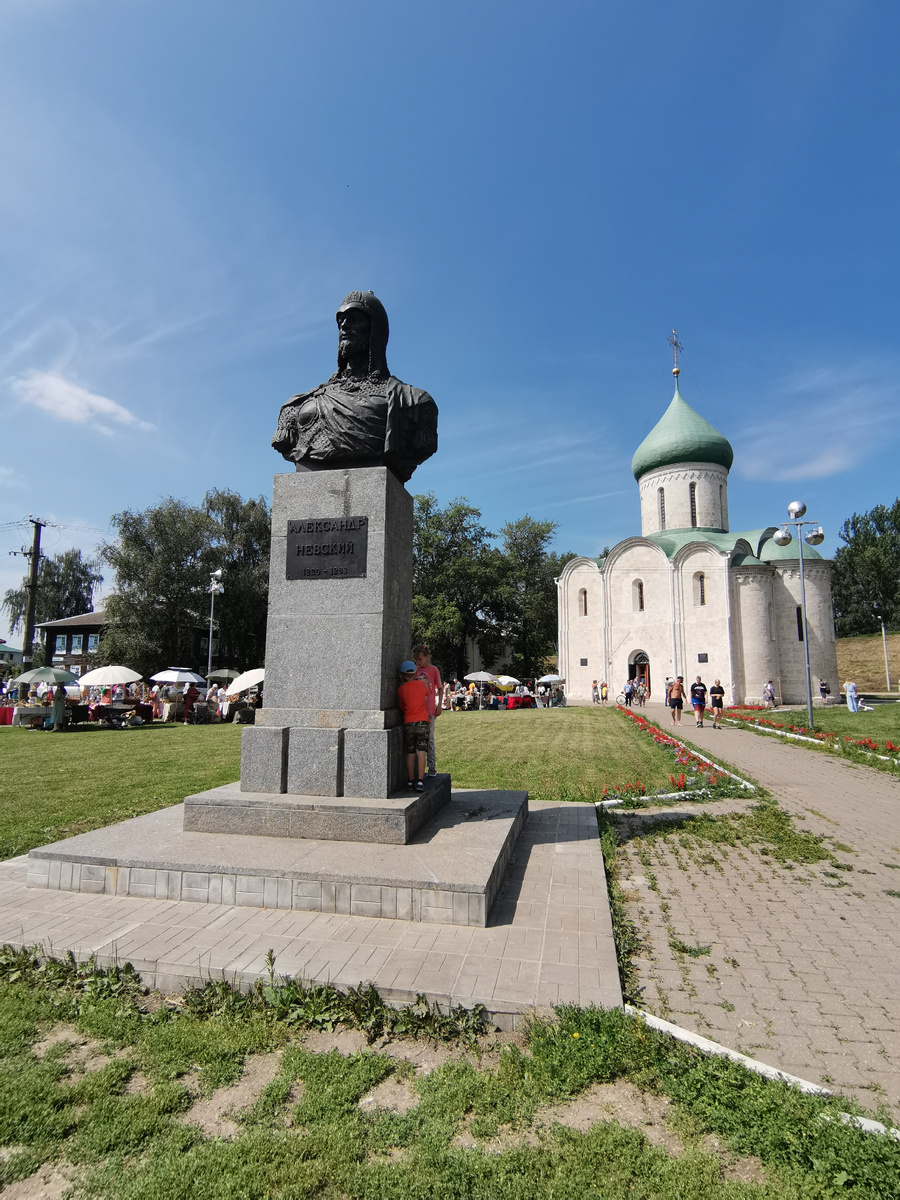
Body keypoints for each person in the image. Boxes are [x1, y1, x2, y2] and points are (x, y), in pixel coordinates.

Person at [271, 291, 439, 483]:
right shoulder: (296, 405)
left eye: (354, 319)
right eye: (341, 320)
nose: (344, 325)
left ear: (375, 330)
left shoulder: (414, 402)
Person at [397, 660, 429, 791]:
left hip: (409, 722)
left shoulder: (400, 689)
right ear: (415, 674)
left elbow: (402, 707)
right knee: (421, 752)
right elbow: (428, 693)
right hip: (423, 721)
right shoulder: (421, 684)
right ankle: (420, 781)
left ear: (401, 676)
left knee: (410, 753)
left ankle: (410, 781)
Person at [412, 644, 441, 777]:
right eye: (416, 660)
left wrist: (439, 705)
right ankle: (418, 767)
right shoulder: (414, 670)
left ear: (426, 657)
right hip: (417, 710)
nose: (418, 662)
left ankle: (432, 767)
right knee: (418, 739)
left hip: (429, 710)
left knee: (430, 739)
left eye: (420, 659)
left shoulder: (433, 670)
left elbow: (440, 688)